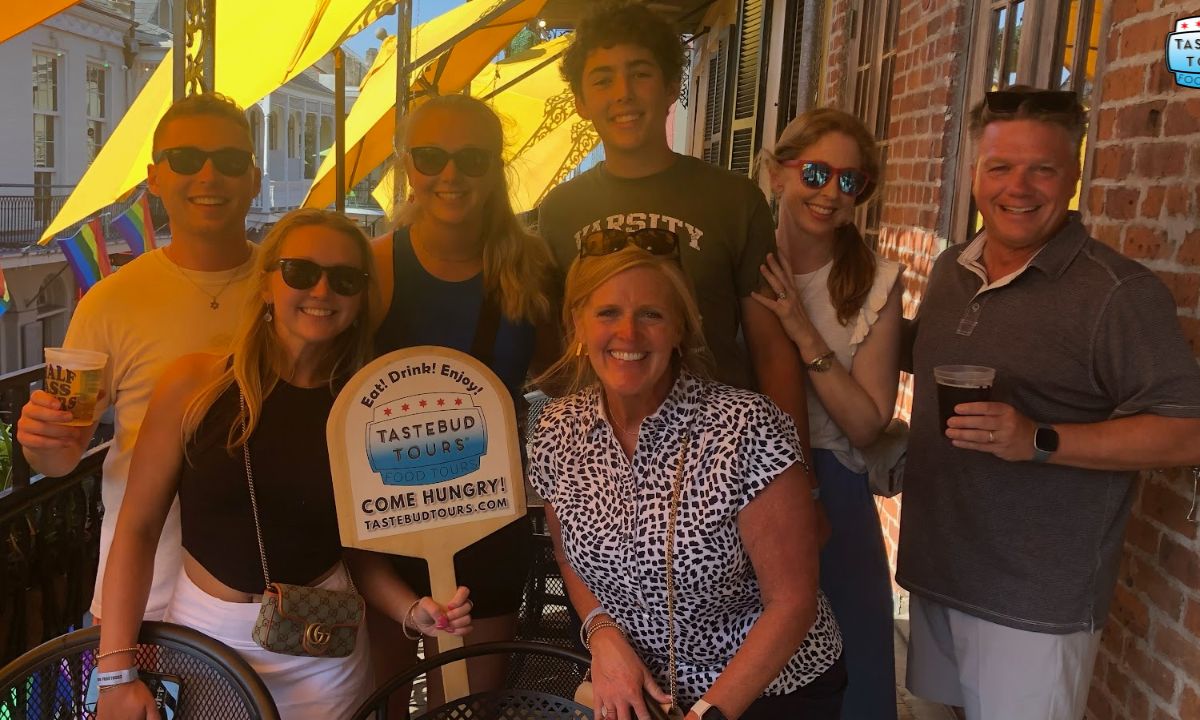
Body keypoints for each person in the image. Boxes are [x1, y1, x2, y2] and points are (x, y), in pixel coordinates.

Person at [897, 86, 1200, 720]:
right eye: (1000, 167)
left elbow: (1188, 434)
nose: (1020, 186)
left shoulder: (1116, 293)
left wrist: (1040, 438)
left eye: (1043, 168)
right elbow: (920, 355)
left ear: (1072, 176)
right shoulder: (953, 268)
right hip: (940, 572)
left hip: (1035, 603)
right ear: (974, 174)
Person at [96, 209, 473, 720]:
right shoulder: (196, 385)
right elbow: (137, 529)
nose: (321, 290)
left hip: (322, 644)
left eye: (345, 280)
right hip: (207, 639)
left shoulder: (363, 407)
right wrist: (117, 672)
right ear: (268, 283)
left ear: (361, 301)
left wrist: (411, 609)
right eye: (301, 272)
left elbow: (357, 549)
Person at [529, 245, 845, 720]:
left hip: (768, 691)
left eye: (651, 314)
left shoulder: (746, 427)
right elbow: (564, 554)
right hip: (640, 693)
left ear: (679, 328)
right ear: (578, 326)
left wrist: (708, 714)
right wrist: (602, 634)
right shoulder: (556, 431)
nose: (628, 333)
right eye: (608, 312)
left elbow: (792, 603)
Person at [17, 93, 263, 622]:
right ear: (155, 177)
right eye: (185, 159)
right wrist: (41, 439)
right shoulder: (111, 301)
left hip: (265, 598)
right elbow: (61, 455)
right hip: (145, 598)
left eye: (229, 160)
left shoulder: (292, 293)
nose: (208, 176)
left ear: (254, 177)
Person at [536, 0, 810, 466]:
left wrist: (801, 472)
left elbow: (770, 348)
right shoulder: (561, 210)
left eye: (640, 73)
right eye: (602, 80)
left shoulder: (734, 200)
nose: (623, 93)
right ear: (582, 102)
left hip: (720, 455)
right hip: (606, 456)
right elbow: (564, 342)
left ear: (670, 87)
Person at [369, 94, 556, 694]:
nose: (450, 175)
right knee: (389, 701)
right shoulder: (373, 267)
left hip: (485, 513)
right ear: (406, 166)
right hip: (385, 517)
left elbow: (564, 376)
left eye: (472, 159)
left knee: (476, 704)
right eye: (430, 157)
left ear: (495, 167)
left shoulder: (529, 266)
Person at [753, 108, 901, 719]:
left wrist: (801, 330)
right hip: (743, 487)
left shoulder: (874, 282)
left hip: (834, 488)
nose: (830, 194)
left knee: (856, 673)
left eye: (851, 182)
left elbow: (868, 424)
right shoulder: (742, 260)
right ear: (776, 173)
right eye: (816, 173)